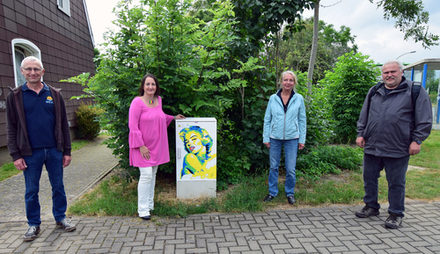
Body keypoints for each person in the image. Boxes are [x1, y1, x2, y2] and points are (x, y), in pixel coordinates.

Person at [6, 56, 76, 242]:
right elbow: (11, 127)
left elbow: (63, 124)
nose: (32, 72)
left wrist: (67, 151)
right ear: (22, 72)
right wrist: (15, 155)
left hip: (54, 150)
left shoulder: (54, 94)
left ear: (42, 71)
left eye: (36, 69)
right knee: (31, 190)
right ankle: (33, 224)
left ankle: (61, 217)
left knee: (58, 187)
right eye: (28, 69)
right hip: (29, 153)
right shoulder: (15, 96)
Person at [355, 60, 432, 229]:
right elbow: (364, 114)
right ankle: (371, 206)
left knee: (396, 182)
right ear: (382, 75)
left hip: (398, 146)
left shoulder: (415, 91)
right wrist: (361, 134)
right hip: (373, 145)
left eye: (393, 72)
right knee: (369, 178)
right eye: (386, 72)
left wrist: (417, 140)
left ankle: (396, 213)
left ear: (401, 72)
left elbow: (425, 119)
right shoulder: (375, 91)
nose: (389, 75)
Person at [128, 73, 184, 221]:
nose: (150, 87)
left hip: (156, 146)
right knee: (146, 175)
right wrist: (140, 146)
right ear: (143, 86)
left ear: (156, 87)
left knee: (152, 175)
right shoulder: (137, 102)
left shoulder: (158, 100)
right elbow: (133, 126)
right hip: (142, 147)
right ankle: (142, 209)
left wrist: (173, 118)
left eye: (153, 84)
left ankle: (150, 204)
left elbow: (161, 116)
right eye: (148, 84)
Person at [262, 70, 306, 205]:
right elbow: (267, 119)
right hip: (274, 137)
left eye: (291, 80)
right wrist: (266, 137)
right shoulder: (273, 98)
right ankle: (272, 192)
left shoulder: (299, 98)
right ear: (281, 82)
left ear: (294, 83)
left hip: (292, 138)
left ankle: (290, 193)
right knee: (274, 166)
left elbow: (302, 120)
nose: (288, 83)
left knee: (291, 169)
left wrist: (302, 139)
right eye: (285, 80)